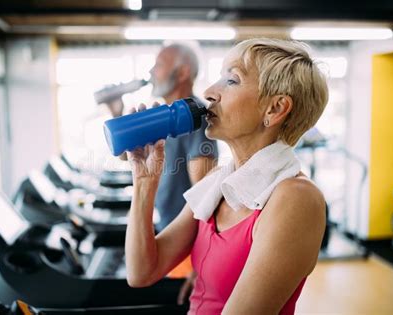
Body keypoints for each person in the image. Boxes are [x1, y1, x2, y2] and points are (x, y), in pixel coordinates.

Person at [125, 38, 328, 314]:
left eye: (232, 80)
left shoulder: (296, 199)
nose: (209, 91)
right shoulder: (219, 182)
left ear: (276, 108)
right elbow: (141, 272)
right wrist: (144, 181)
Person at [106, 43, 218, 232]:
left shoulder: (195, 119)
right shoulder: (162, 116)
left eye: (159, 65)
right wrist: (117, 112)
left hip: (179, 235)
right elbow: (125, 155)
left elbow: (203, 194)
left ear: (182, 72)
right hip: (162, 222)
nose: (151, 71)